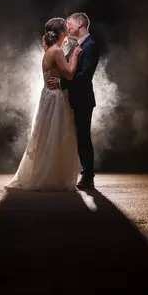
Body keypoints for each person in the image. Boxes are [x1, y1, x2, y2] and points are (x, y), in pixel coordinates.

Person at [5, 18, 83, 191]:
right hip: (55, 97)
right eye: (66, 31)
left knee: (48, 135)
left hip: (48, 95)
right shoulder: (56, 51)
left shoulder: (50, 50)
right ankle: (52, 177)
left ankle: (50, 175)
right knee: (56, 134)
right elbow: (69, 74)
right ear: (61, 33)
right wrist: (75, 56)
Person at [46, 13, 99, 190]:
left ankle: (88, 176)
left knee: (83, 136)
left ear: (80, 23)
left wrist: (61, 83)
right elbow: (68, 68)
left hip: (82, 99)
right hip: (69, 98)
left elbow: (84, 77)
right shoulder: (75, 45)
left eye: (69, 23)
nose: (67, 27)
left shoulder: (91, 45)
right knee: (73, 137)